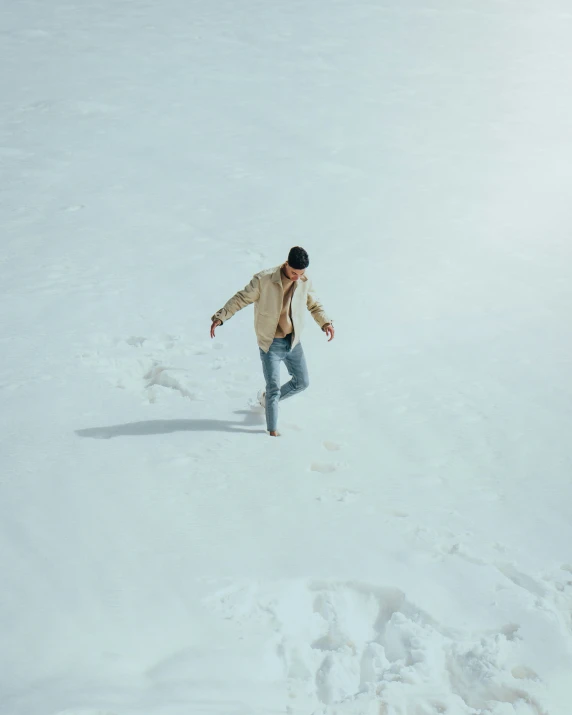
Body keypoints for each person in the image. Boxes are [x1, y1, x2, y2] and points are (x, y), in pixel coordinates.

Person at [210, 247, 334, 436]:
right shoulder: (264, 280)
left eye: (301, 274)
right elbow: (241, 298)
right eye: (294, 273)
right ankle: (272, 433)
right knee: (274, 387)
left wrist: (325, 322)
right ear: (286, 264)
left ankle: (267, 400)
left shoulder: (303, 281)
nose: (296, 277)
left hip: (293, 341)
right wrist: (221, 317)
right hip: (271, 344)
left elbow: (314, 305)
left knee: (302, 382)